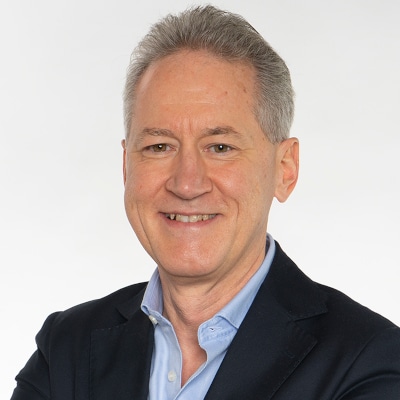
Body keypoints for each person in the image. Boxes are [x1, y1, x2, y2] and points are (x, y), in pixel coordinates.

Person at [11, 5, 400, 400]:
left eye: (220, 147)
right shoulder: (65, 349)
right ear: (127, 166)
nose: (187, 183)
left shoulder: (369, 361)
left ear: (285, 169)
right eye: (159, 146)